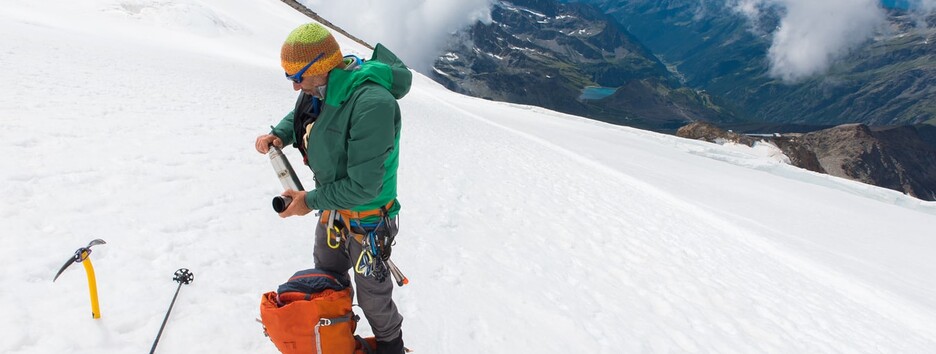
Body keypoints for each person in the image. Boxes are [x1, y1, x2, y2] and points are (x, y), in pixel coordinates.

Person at [254, 23, 410, 354]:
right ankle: (336, 340)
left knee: (372, 296)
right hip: (334, 211)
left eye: (297, 76)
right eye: (288, 76)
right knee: (328, 279)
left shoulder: (372, 104)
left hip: (369, 219)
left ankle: (391, 348)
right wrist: (280, 134)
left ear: (323, 66)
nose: (294, 85)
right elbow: (308, 115)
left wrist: (308, 201)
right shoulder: (321, 89)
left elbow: (365, 187)